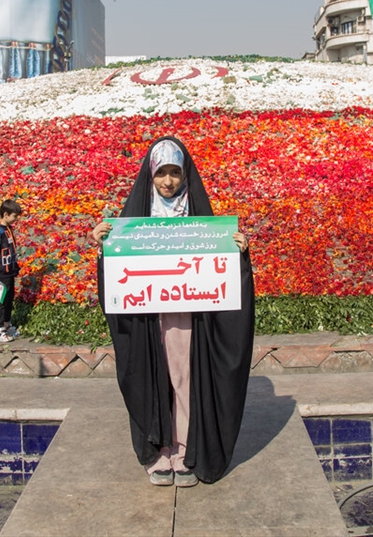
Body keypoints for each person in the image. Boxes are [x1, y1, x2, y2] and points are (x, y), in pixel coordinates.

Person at [89, 137, 254, 487]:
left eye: (175, 173)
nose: (168, 181)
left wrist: (237, 253)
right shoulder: (135, 220)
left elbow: (219, 271)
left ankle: (184, 451)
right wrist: (105, 248)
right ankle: (158, 452)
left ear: (185, 174)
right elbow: (118, 278)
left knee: (184, 378)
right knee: (154, 376)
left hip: (188, 314)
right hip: (147, 318)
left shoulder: (198, 220)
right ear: (150, 175)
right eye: (161, 173)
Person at [0, 199, 23, 343]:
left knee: (9, 299)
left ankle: (7, 325)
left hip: (10, 271)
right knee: (1, 301)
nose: (16, 219)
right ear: (6, 214)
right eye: (14, 216)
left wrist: (15, 267)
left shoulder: (9, 229)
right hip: (1, 272)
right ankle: (0, 329)